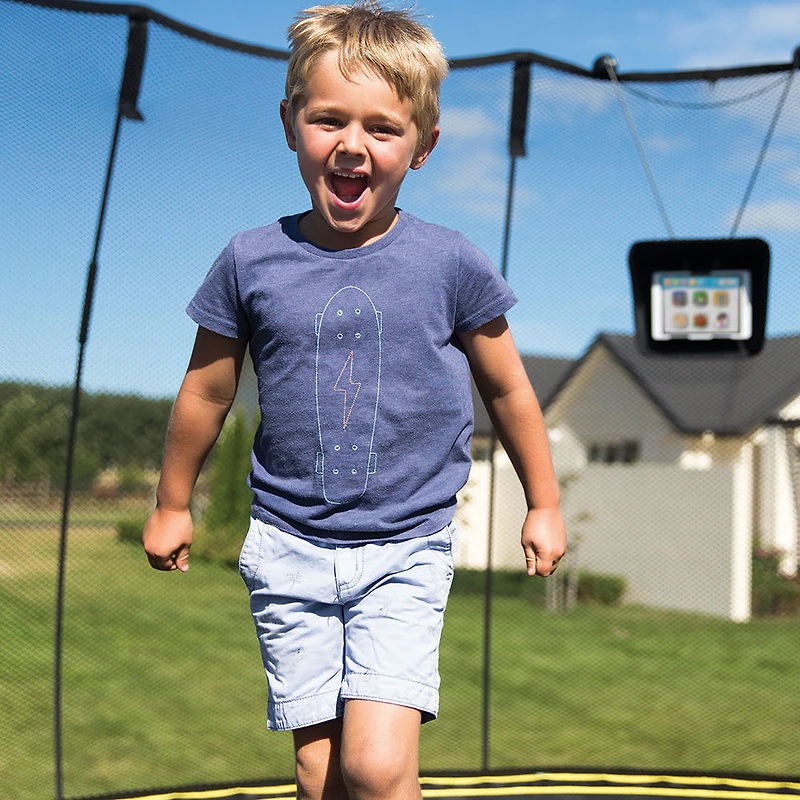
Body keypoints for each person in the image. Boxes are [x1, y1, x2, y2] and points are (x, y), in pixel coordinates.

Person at [143, 3, 567, 799]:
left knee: (375, 764)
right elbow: (206, 388)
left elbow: (508, 386)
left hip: (405, 545)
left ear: (423, 145)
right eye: (328, 119)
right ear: (290, 123)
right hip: (287, 545)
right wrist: (172, 503)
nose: (351, 144)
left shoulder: (449, 263)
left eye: (381, 128)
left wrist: (543, 502)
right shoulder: (250, 261)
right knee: (319, 773)